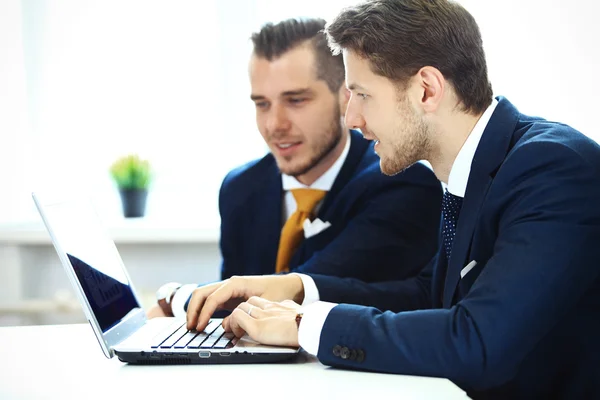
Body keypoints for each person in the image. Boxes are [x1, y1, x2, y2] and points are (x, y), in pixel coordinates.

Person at [183, 1, 600, 398]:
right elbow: (427, 298)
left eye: (362, 95)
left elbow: (478, 342)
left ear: (426, 90)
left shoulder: (552, 168)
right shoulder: (476, 168)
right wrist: (297, 289)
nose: (352, 119)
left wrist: (305, 324)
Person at [147, 18, 442, 318]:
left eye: (296, 100)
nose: (275, 125)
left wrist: (173, 297)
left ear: (346, 97)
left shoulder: (400, 182)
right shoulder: (240, 188)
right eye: (262, 104)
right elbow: (225, 306)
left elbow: (283, 295)